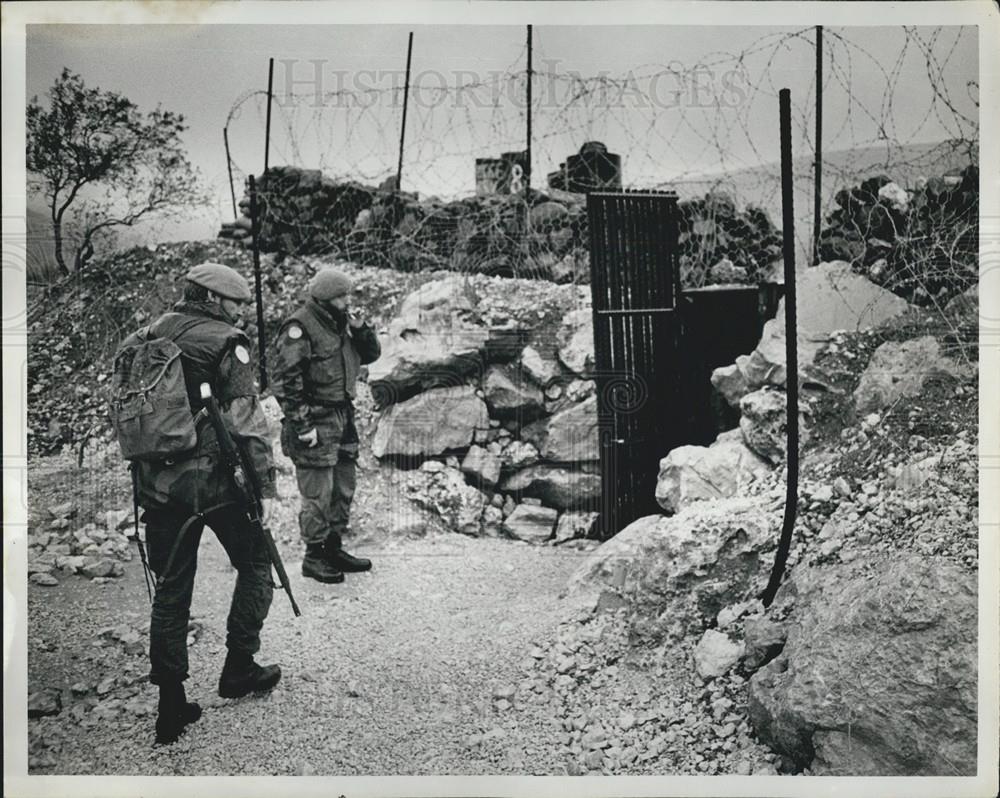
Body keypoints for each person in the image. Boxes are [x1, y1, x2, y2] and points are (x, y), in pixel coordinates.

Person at [126, 262, 281, 745]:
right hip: (217, 485)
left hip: (157, 485)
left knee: (171, 591)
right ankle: (238, 669)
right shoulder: (226, 341)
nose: (240, 313)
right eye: (236, 304)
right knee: (256, 565)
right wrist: (267, 486)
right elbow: (246, 420)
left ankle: (170, 706)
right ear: (215, 300)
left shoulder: (144, 335)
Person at [272, 267, 381, 584]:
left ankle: (333, 548)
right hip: (315, 420)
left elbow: (371, 354)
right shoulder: (299, 327)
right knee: (317, 493)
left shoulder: (342, 323)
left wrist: (361, 329)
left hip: (343, 417)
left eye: (349, 295)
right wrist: (303, 424)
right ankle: (314, 557)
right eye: (342, 296)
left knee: (343, 487)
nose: (349, 301)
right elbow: (286, 382)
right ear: (326, 298)